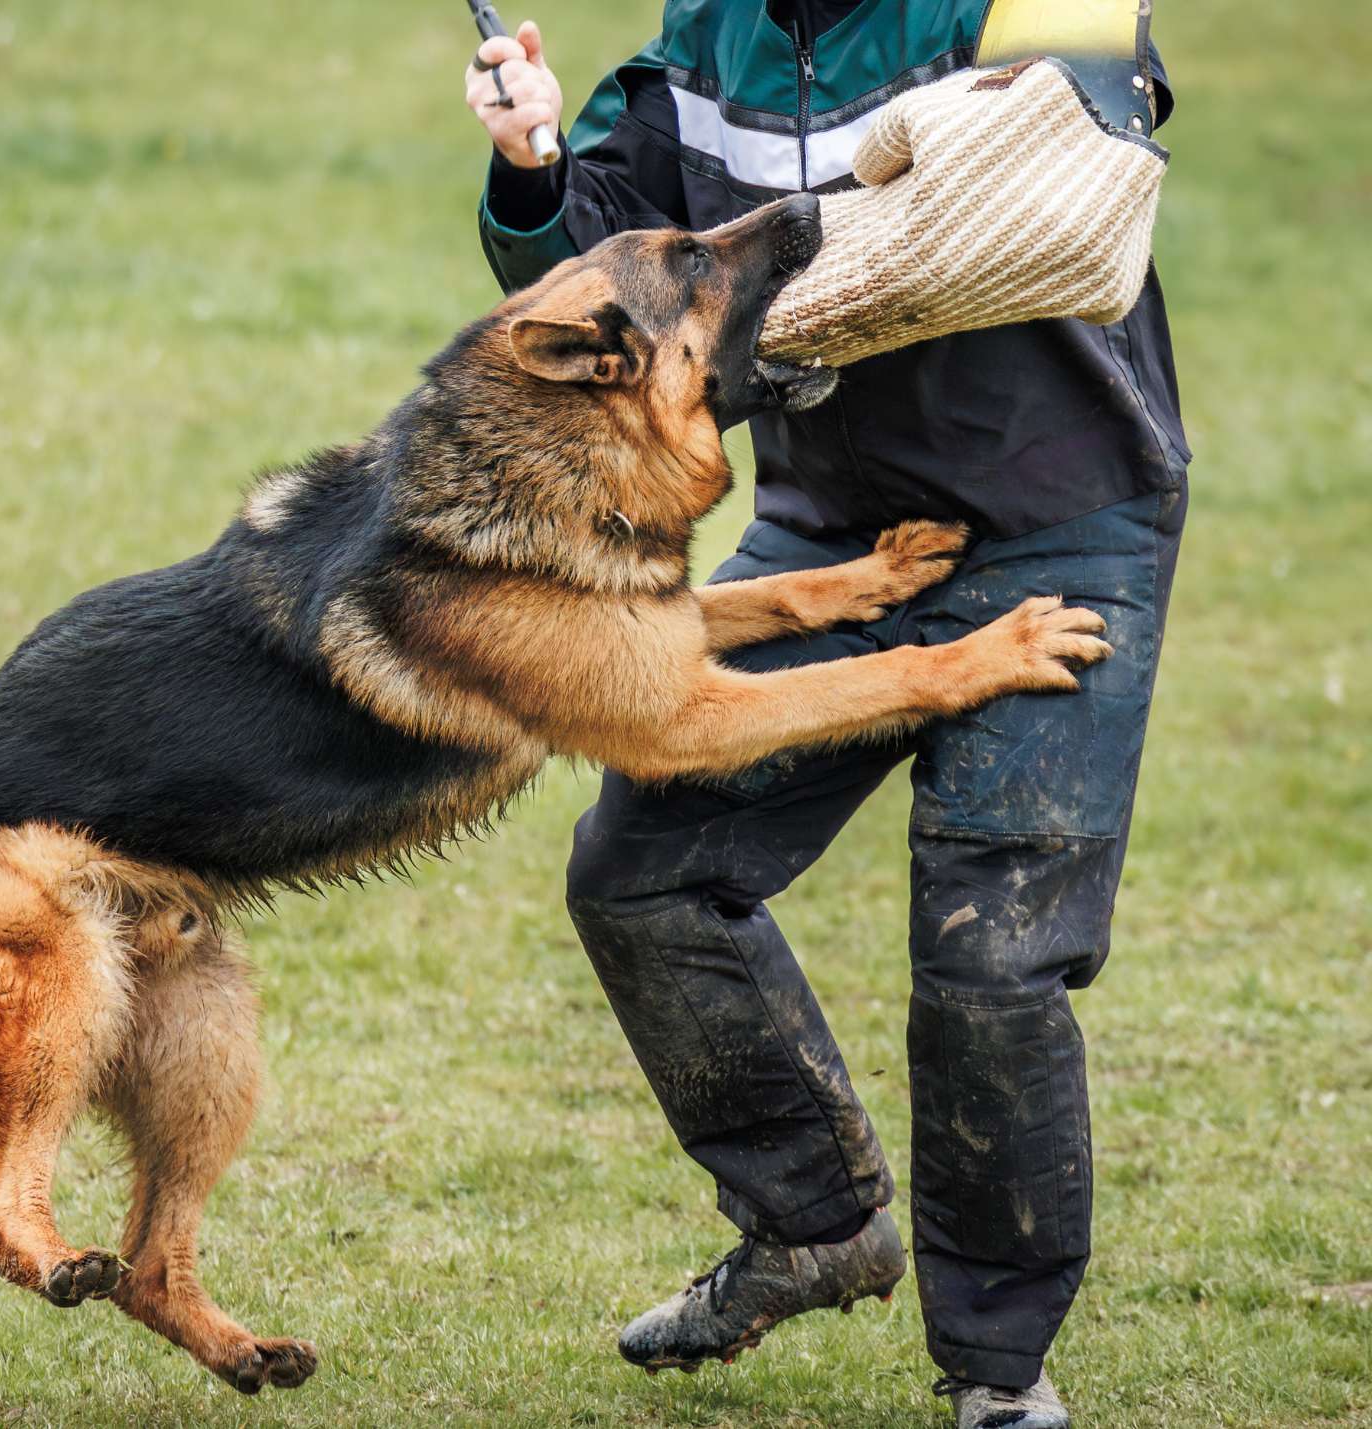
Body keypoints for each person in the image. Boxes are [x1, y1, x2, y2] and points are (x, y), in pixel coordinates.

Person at [463, 5, 1186, 1426]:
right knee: (640, 870)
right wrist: (533, 159)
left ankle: (999, 1375)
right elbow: (603, 301)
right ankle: (813, 1223)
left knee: (992, 958)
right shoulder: (711, 32)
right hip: (831, 529)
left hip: (1062, 513)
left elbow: (1119, 114)